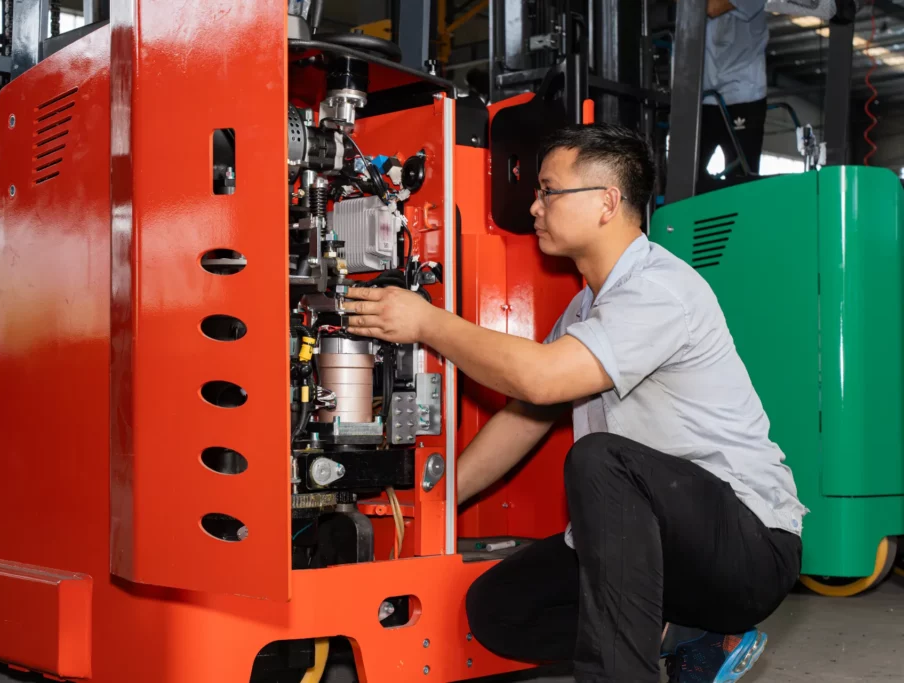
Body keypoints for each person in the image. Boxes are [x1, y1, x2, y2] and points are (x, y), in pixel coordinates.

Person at [343, 124, 804, 683]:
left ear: (607, 202)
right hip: (668, 555)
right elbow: (525, 414)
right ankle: (686, 636)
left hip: (745, 548)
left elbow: (540, 380)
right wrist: (437, 500)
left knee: (602, 460)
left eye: (549, 190)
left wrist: (428, 323)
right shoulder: (588, 307)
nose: (535, 206)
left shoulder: (657, 289)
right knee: (499, 608)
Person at [695, 0, 770, 191]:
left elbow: (712, 8)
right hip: (704, 98)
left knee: (740, 180)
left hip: (743, 98)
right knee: (688, 175)